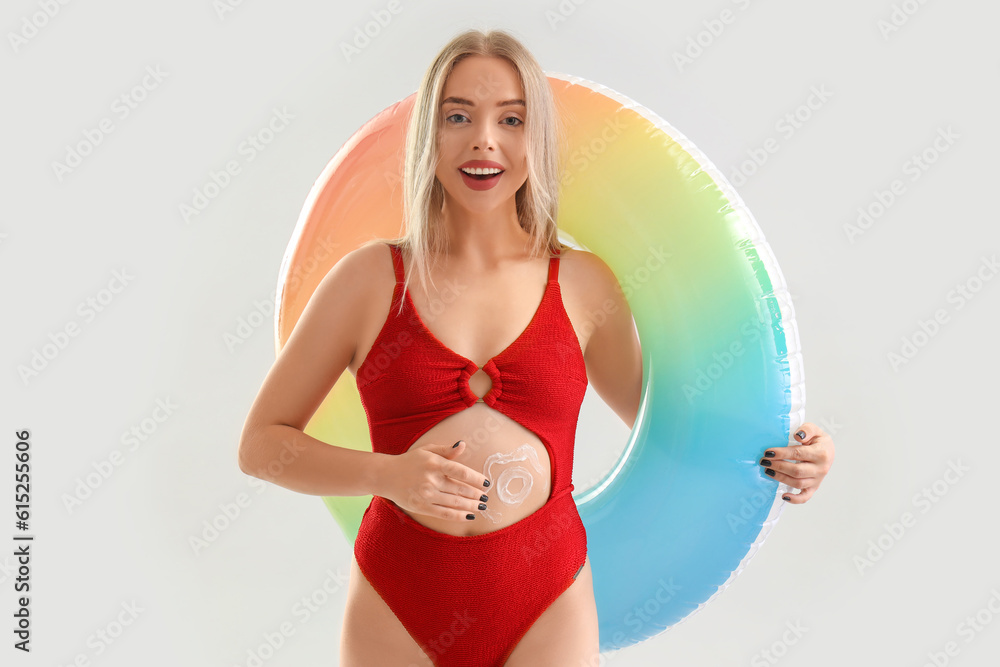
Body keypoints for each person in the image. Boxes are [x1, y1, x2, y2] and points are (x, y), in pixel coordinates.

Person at [238, 28, 836, 667]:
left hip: (545, 596)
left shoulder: (583, 284)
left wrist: (800, 449)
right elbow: (262, 446)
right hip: (397, 596)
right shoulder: (367, 280)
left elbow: (671, 425)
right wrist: (387, 475)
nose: (484, 140)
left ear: (537, 139)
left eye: (512, 119)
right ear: (428, 137)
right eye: (458, 116)